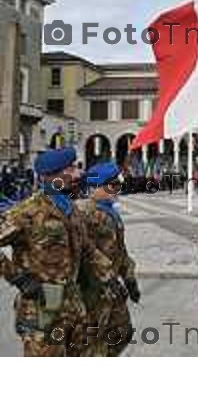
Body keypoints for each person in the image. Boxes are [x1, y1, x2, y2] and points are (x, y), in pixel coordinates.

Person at [0, 148, 100, 357]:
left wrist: (107, 278)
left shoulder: (70, 208)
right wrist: (18, 278)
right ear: (51, 176)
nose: (77, 174)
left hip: (74, 308)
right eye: (70, 169)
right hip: (42, 311)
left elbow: (86, 248)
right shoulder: (27, 211)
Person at [78, 161, 141, 357]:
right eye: (112, 185)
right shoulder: (83, 213)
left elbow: (120, 251)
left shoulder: (110, 212)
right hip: (92, 290)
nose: (117, 190)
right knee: (93, 342)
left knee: (122, 332)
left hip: (112, 288)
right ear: (96, 187)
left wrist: (129, 278)